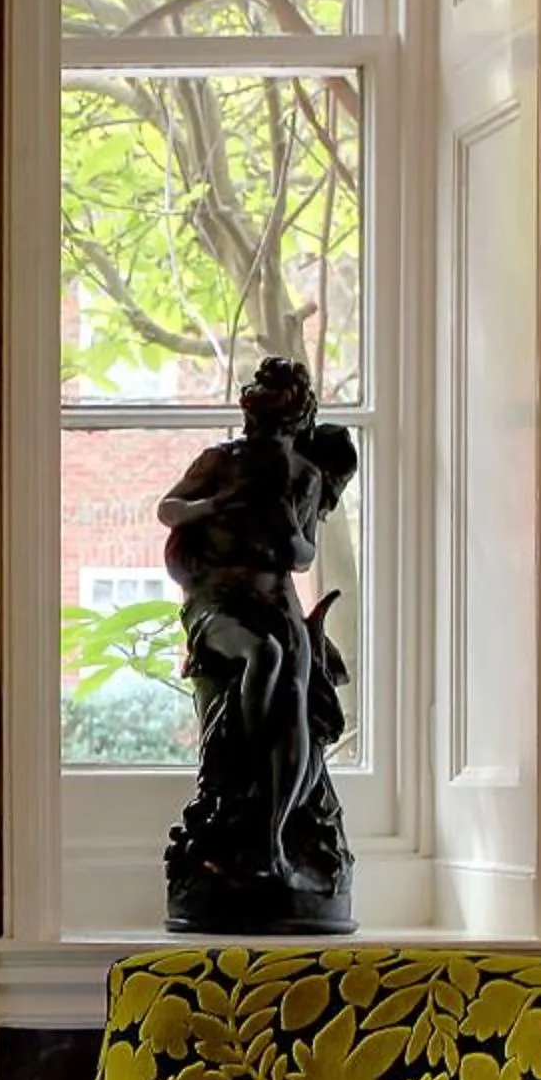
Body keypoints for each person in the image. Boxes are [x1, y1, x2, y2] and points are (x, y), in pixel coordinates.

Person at [158, 356, 357, 898]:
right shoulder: (221, 461)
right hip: (220, 601)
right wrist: (219, 504)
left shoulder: (304, 476)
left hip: (277, 603)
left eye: (283, 421)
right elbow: (170, 509)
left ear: (296, 422)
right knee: (262, 655)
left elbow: (301, 555)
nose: (272, 431)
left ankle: (272, 840)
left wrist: (284, 521)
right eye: (264, 419)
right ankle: (243, 767)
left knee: (294, 702)